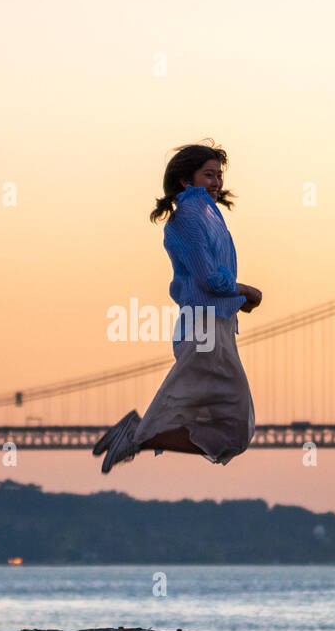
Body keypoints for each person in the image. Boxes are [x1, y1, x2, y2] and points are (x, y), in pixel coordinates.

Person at [93, 142, 262, 473]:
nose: (216, 182)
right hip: (205, 331)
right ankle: (138, 437)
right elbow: (207, 279)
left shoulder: (207, 216)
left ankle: (138, 436)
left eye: (219, 175)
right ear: (187, 181)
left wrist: (239, 300)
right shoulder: (188, 217)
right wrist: (245, 292)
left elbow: (210, 283)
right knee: (235, 426)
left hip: (215, 328)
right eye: (208, 174)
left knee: (232, 426)